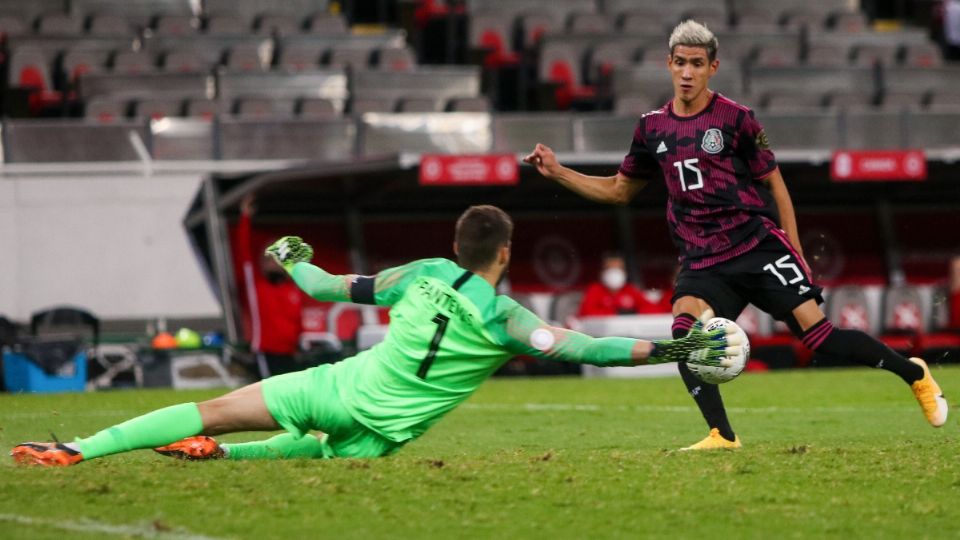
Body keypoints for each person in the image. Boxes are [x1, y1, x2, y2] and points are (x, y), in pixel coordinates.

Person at [10, 205, 738, 466]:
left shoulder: (417, 273)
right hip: (384, 433)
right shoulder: (508, 319)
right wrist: (674, 348)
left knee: (218, 408)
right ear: (505, 255)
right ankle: (224, 457)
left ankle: (79, 449)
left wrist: (294, 259)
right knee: (326, 453)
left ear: (457, 245)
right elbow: (584, 348)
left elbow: (328, 287)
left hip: (338, 385)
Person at [523, 20, 948, 450]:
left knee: (820, 338)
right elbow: (618, 190)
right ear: (668, 65)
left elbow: (775, 184)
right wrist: (558, 172)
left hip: (755, 244)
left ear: (713, 67)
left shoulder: (736, 118)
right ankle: (721, 434)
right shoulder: (651, 128)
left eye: (697, 64)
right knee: (685, 335)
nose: (687, 72)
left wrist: (794, 247)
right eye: (680, 63)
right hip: (702, 258)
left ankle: (914, 373)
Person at [236, 194, 305, 378]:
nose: (273, 263)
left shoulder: (293, 290)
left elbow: (297, 322)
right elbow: (244, 254)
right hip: (266, 354)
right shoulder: (256, 286)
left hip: (290, 354)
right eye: (268, 259)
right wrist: (245, 217)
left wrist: (299, 344)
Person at [578, 252, 671, 317]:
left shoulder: (630, 290)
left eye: (618, 268)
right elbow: (586, 312)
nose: (614, 272)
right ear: (603, 272)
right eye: (610, 268)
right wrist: (616, 312)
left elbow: (656, 309)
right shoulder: (595, 290)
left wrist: (634, 312)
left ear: (624, 272)